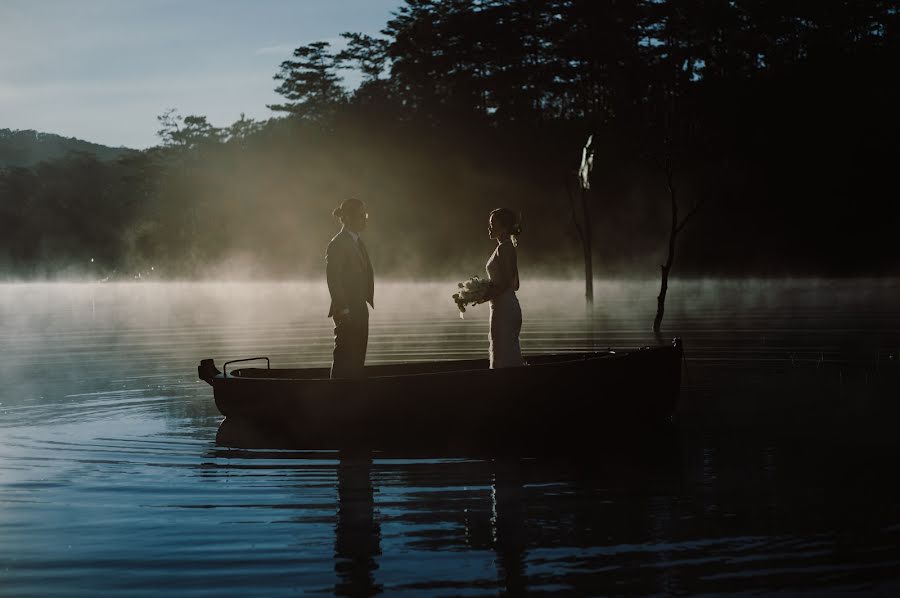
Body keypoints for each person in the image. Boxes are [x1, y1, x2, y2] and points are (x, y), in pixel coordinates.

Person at [326, 198, 374, 379]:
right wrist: (343, 308)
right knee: (344, 356)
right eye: (361, 216)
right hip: (346, 310)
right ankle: (337, 394)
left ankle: (352, 394)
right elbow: (333, 279)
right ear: (348, 217)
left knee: (358, 355)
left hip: (359, 307)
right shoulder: (338, 243)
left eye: (365, 215)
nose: (365, 219)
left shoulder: (356, 241)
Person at [481, 208, 524, 368]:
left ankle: (505, 384)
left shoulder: (504, 248)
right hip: (506, 306)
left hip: (504, 309)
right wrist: (486, 289)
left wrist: (483, 296)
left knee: (502, 352)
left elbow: (507, 284)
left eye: (493, 224)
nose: (489, 228)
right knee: (505, 350)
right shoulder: (508, 247)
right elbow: (515, 285)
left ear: (504, 228)